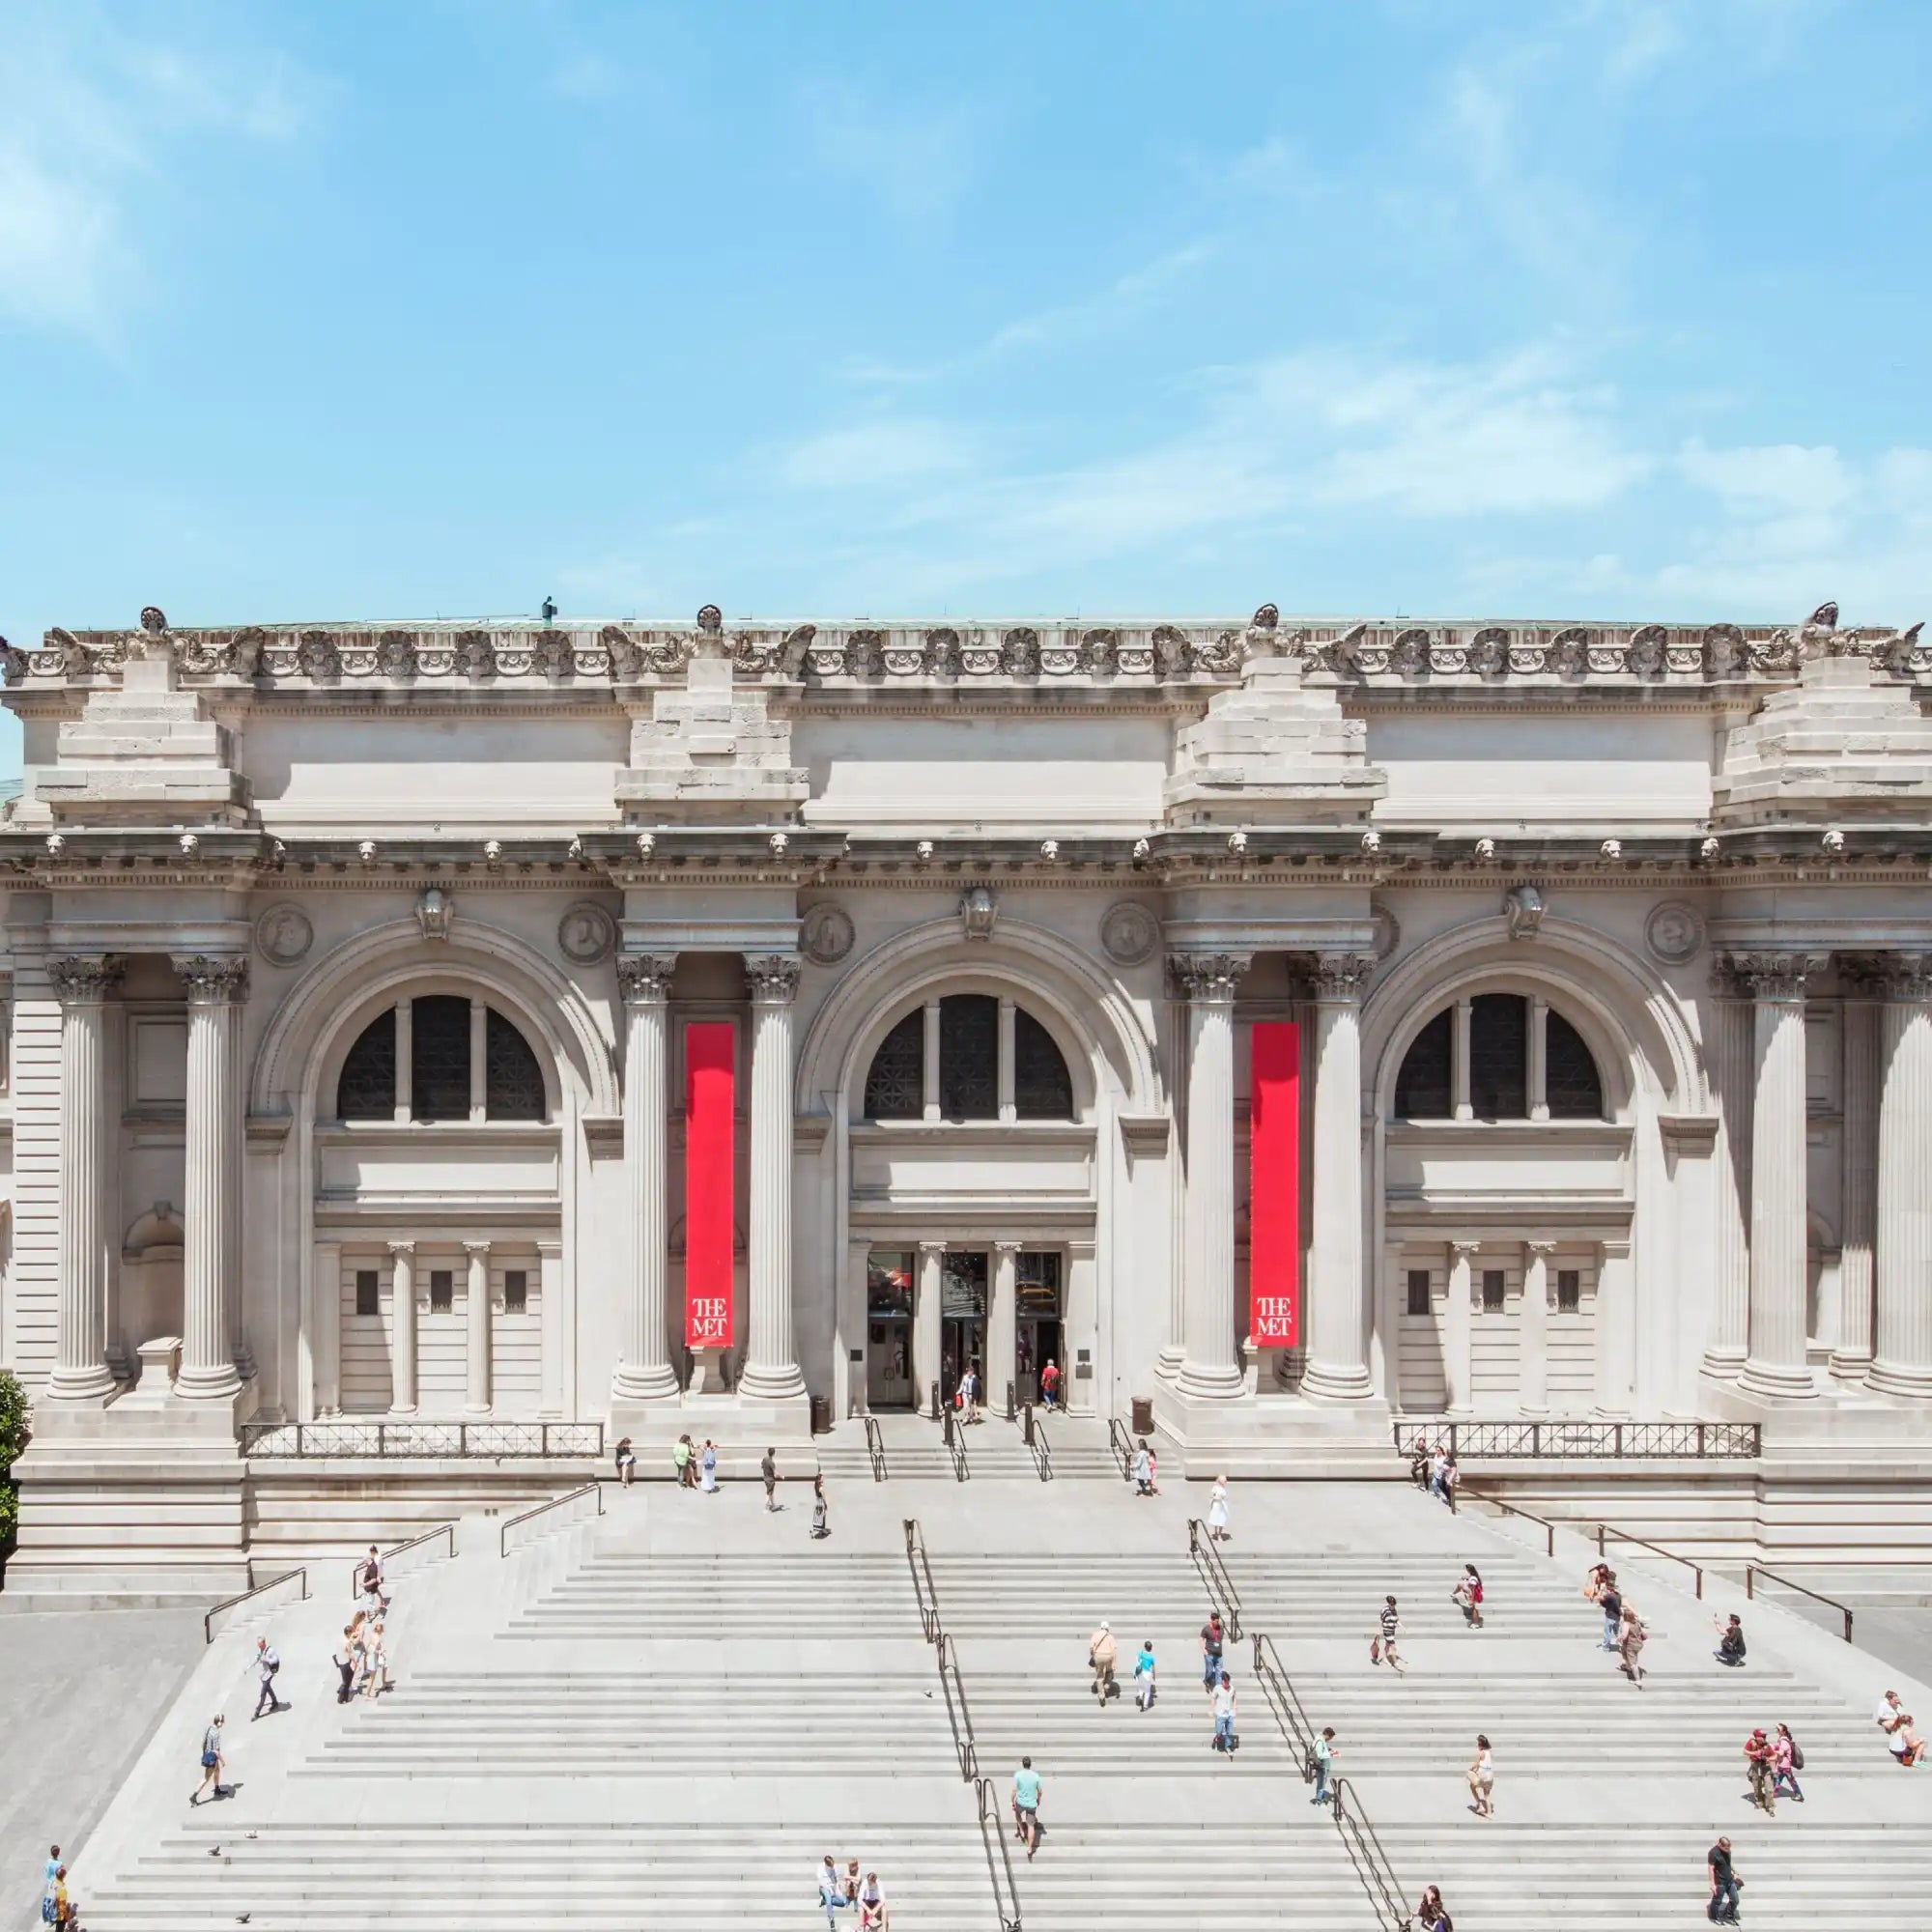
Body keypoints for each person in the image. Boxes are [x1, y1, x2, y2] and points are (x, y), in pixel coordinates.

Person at [1876, 1689, 1923, 1765]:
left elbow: (1903, 1715)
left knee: (1898, 1727)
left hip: (1897, 1726)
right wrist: (1919, 1741)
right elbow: (1881, 1716)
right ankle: (1916, 1761)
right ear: (1889, 1700)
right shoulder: (1883, 1704)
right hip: (1888, 1721)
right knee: (1917, 1742)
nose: (1896, 1701)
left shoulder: (1897, 1705)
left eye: (1897, 1700)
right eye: (1895, 1700)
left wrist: (1900, 1705)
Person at [190, 1713, 225, 1805]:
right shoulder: (216, 1733)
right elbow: (216, 1751)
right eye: (222, 1722)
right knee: (206, 1778)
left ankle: (217, 1789)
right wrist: (222, 1761)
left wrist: (205, 1752)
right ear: (219, 1723)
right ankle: (194, 1796)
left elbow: (203, 1743)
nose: (223, 1724)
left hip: (207, 1754)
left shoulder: (208, 1728)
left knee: (217, 1771)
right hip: (212, 1758)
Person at [1011, 1756, 1041, 1861]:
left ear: (1023, 1764)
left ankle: (1020, 1828)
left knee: (1017, 1812)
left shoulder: (1018, 1775)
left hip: (1020, 1802)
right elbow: (1040, 1791)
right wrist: (1038, 1799)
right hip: (1032, 1804)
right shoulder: (1036, 1776)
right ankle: (1029, 1848)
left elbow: (1014, 1790)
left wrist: (1012, 1800)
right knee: (1031, 1826)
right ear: (1030, 1764)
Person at [1707, 1836, 1741, 1924]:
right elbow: (1711, 1868)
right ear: (1720, 1845)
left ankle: (1728, 1915)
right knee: (1717, 1901)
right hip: (1720, 1881)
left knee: (1735, 1900)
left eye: (1728, 1848)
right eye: (1725, 1848)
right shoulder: (1713, 1853)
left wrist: (1734, 1871)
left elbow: (1729, 1862)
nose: (1727, 1850)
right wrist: (1712, 1884)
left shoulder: (1727, 1850)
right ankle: (1714, 1917)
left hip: (1729, 1880)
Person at [252, 1635, 286, 1720]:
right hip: (262, 1674)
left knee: (263, 1693)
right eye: (258, 1644)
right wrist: (256, 1659)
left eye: (260, 1644)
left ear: (264, 1643)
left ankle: (257, 1712)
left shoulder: (270, 1651)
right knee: (268, 1689)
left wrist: (266, 1659)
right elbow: (258, 1656)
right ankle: (275, 1702)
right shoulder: (260, 1650)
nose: (258, 1646)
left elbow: (276, 1660)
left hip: (268, 1674)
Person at [1744, 1728, 1776, 1814]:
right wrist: (1754, 1753)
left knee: (1769, 1788)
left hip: (1766, 1767)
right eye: (1762, 1736)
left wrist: (1769, 1759)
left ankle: (1770, 1807)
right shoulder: (1752, 1742)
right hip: (1755, 1766)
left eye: (1765, 1736)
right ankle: (1760, 1801)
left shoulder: (1767, 1745)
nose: (1764, 1738)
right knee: (1756, 1785)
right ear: (1757, 1737)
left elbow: (1774, 1756)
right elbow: (1745, 1751)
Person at [1772, 1721, 1804, 1803]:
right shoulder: (1782, 1740)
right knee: (1778, 1779)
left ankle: (1799, 1795)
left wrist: (1773, 1750)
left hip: (1785, 1766)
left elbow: (1781, 1753)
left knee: (1789, 1781)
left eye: (1778, 1730)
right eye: (1777, 1729)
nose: (1777, 1731)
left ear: (1783, 1732)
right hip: (1782, 1765)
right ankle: (1774, 1793)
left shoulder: (1784, 1741)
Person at [1374, 1596, 1405, 1675]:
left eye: (1394, 1604)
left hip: (1392, 1630)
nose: (1393, 1606)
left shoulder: (1394, 1609)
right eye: (1391, 1604)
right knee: (1393, 1647)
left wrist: (1402, 1626)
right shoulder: (1385, 1610)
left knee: (1387, 1645)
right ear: (1388, 1603)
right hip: (1387, 1631)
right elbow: (1381, 1621)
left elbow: (1396, 1619)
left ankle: (1384, 1658)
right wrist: (1379, 1630)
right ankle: (1396, 1664)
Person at [1089, 1620, 1118, 1702]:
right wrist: (1114, 1662)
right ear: (1107, 1628)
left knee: (1100, 1675)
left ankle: (1101, 1695)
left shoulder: (1095, 1634)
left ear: (1101, 1627)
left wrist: (1093, 1655)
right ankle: (1107, 1685)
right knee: (1109, 1671)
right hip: (1108, 1656)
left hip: (1098, 1656)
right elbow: (1113, 1650)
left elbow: (1091, 1647)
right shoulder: (1110, 1636)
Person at [1618, 1607, 1647, 1689]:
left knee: (1633, 1664)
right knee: (1632, 1658)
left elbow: (1624, 1635)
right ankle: (1628, 1668)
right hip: (1638, 1644)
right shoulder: (1636, 1623)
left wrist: (1619, 1639)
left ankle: (1637, 1680)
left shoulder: (1626, 1624)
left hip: (1631, 1644)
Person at [817, 1853, 849, 1926]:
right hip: (824, 1887)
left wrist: (838, 1891)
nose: (831, 1867)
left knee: (843, 1902)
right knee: (829, 1899)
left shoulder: (834, 1867)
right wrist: (828, 1889)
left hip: (833, 1887)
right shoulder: (821, 1868)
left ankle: (823, 1901)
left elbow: (836, 1880)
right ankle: (831, 1918)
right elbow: (821, 1882)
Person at [1466, 1734, 1494, 1817]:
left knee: (1472, 1786)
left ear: (1481, 1744)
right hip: (1490, 1776)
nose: (1477, 1745)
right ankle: (1489, 1813)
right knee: (1487, 1794)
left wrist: (1470, 1770)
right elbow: (1486, 1764)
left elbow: (1475, 1764)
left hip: (1483, 1776)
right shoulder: (1489, 1753)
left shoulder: (1481, 1753)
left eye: (1478, 1743)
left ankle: (1480, 1804)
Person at [334, 1621, 360, 1704]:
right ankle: (342, 1699)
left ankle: (340, 1690)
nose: (352, 1634)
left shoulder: (341, 1638)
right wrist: (356, 1663)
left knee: (348, 1676)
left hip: (339, 1660)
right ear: (348, 1633)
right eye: (351, 1633)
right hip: (344, 1662)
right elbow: (350, 1654)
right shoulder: (347, 1642)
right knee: (347, 1681)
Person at [1210, 1670, 1236, 1753]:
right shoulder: (1217, 1688)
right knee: (1219, 1731)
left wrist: (1235, 1707)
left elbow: (1234, 1697)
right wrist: (1212, 1709)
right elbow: (1213, 1698)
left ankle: (1227, 1746)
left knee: (1230, 1732)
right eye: (1224, 1682)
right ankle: (1217, 1737)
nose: (1226, 1684)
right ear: (1222, 1681)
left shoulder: (1232, 1688)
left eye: (1227, 1682)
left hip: (1229, 1714)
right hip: (1220, 1714)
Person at [358, 1546, 388, 1614]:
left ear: (373, 1551)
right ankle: (382, 1601)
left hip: (377, 1577)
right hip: (378, 1576)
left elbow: (376, 1569)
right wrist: (365, 1571)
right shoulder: (376, 1558)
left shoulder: (377, 1559)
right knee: (375, 1590)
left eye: (371, 1552)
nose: (370, 1553)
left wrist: (378, 1577)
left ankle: (378, 1609)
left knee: (370, 1599)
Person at [1201, 1611, 1226, 1694]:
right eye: (1216, 1621)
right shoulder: (1206, 1629)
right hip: (1209, 1653)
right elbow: (1201, 1639)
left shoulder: (1221, 1628)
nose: (1217, 1623)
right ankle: (1207, 1680)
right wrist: (1204, 1650)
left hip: (1219, 1654)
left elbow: (1220, 1638)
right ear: (1212, 1620)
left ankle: (1218, 1690)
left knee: (1219, 1672)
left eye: (1218, 1621)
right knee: (1210, 1670)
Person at [1452, 1564, 1484, 1629]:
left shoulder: (1473, 1578)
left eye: (1467, 1569)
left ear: (1469, 1570)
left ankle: (1476, 1623)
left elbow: (1473, 1586)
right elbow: (1471, 1579)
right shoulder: (1474, 1576)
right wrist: (1465, 1578)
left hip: (1472, 1595)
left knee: (1473, 1609)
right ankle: (1476, 1622)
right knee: (1474, 1609)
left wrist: (1472, 1598)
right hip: (1472, 1594)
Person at [1311, 1725, 1336, 1805]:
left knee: (1321, 1783)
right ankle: (1319, 1801)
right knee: (1321, 1785)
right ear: (1328, 1735)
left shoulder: (1321, 1740)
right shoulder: (1320, 1741)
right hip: (1323, 1766)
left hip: (1322, 1766)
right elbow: (1319, 1755)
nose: (1330, 1739)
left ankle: (1319, 1799)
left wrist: (1328, 1749)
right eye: (1331, 1737)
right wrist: (1330, 1753)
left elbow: (1321, 1750)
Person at [1600, 1574, 1624, 1652]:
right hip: (1617, 1617)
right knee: (1617, 1632)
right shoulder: (1619, 1596)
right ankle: (1622, 1645)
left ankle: (1606, 1647)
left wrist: (1601, 1590)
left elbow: (1601, 1599)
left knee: (1607, 1632)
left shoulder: (1609, 1596)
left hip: (1610, 1616)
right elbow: (1619, 1605)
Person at [1133, 1637, 1156, 1711]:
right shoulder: (1151, 1657)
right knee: (1147, 1691)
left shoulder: (1141, 1653)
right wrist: (1154, 1676)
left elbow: (1137, 1659)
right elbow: (1153, 1668)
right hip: (1148, 1674)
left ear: (1145, 1647)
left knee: (1141, 1687)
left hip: (1141, 1672)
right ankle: (1145, 1705)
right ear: (1151, 1648)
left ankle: (1140, 1697)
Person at [1208, 1474, 1231, 1543]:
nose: (1225, 1482)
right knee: (1216, 1519)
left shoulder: (1223, 1488)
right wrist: (1216, 1497)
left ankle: (1219, 1534)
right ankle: (1216, 1533)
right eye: (1224, 1481)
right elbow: (1213, 1495)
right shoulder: (1215, 1487)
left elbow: (1224, 1496)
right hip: (1217, 1505)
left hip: (1222, 1505)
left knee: (1221, 1520)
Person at [762, 1445, 781, 1512]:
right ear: (773, 1453)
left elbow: (761, 1466)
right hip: (770, 1480)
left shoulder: (765, 1459)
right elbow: (776, 1473)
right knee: (769, 1493)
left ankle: (773, 1504)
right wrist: (782, 1477)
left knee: (770, 1493)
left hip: (765, 1478)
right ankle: (766, 1507)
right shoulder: (771, 1463)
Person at [810, 1474, 830, 1539]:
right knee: (822, 1517)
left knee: (817, 1517)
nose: (823, 1479)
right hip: (821, 1503)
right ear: (819, 1480)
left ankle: (815, 1531)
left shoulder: (816, 1486)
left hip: (818, 1503)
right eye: (822, 1478)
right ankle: (822, 1530)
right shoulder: (821, 1488)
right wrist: (826, 1504)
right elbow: (824, 1498)